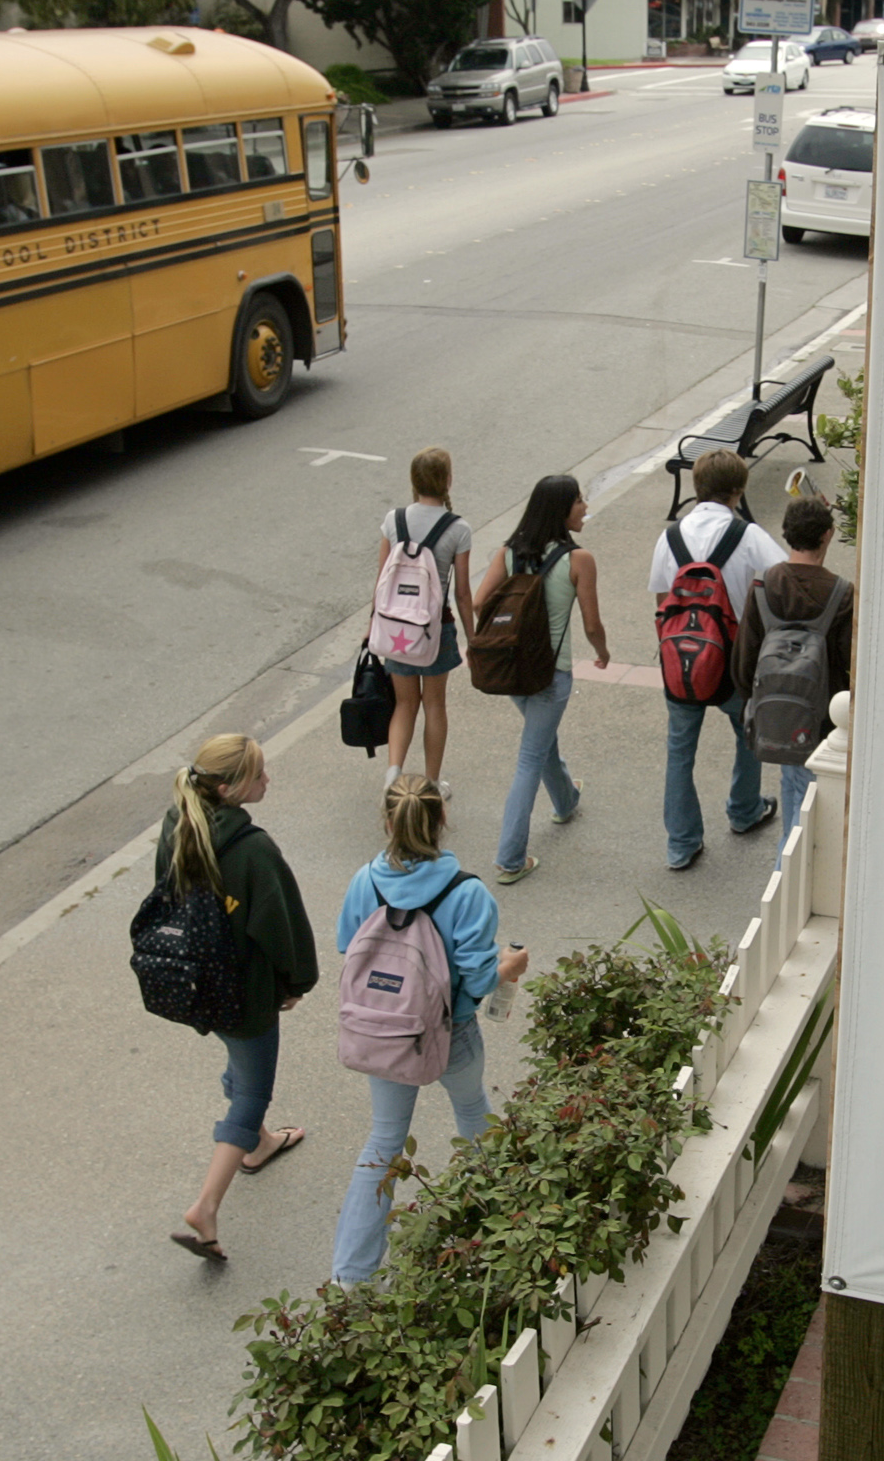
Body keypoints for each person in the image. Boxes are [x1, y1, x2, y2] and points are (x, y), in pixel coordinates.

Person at [331, 776, 532, 1283]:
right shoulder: (466, 892)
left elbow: (347, 948)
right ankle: (506, 1230)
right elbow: (481, 977)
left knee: (383, 1142)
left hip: (387, 1035)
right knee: (472, 1113)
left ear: (387, 822)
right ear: (441, 820)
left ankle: (349, 1279)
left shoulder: (365, 881)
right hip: (452, 1031)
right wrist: (510, 965)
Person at [152, 734, 321, 1262]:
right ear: (229, 789)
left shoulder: (176, 824)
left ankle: (262, 1142)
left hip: (195, 982)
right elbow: (282, 926)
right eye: (259, 775)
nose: (267, 780)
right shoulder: (253, 851)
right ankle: (205, 1206)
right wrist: (297, 984)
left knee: (238, 1062)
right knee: (252, 1090)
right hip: (245, 991)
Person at [471, 474, 610, 884]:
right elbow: (591, 624)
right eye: (579, 501)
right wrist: (603, 654)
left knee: (540, 741)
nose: (585, 507)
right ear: (561, 509)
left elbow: (480, 602)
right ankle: (509, 858)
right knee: (530, 757)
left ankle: (566, 800)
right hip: (551, 675)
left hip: (512, 671)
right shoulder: (578, 560)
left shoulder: (509, 552)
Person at [650, 450, 785, 870]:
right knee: (748, 736)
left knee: (679, 750)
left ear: (696, 486)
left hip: (681, 658)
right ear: (738, 489)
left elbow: (660, 600)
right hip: (734, 660)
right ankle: (744, 811)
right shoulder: (749, 536)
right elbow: (782, 582)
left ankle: (681, 843)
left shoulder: (670, 537)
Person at [733, 496, 854, 872]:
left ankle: (785, 871)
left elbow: (743, 661)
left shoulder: (764, 585)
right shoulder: (842, 593)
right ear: (828, 536)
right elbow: (852, 665)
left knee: (793, 788)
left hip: (778, 715)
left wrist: (761, 703)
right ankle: (787, 880)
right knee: (810, 803)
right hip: (823, 721)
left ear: (786, 534)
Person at [379, 447, 475, 794]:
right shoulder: (457, 528)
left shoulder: (394, 520)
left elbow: (381, 581)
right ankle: (432, 783)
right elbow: (462, 592)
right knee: (435, 704)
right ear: (447, 480)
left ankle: (393, 775)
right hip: (436, 628)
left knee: (405, 703)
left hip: (396, 628)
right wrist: (472, 637)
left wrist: (371, 627)